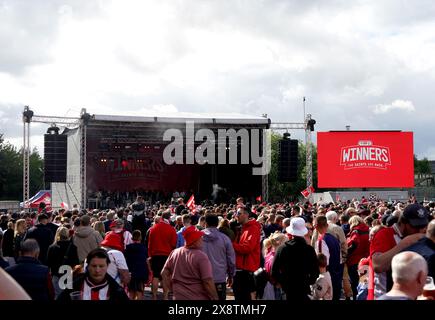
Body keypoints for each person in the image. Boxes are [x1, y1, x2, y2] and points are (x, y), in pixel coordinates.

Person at [370, 203, 429, 298]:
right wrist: (405, 243)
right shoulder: (384, 234)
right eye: (416, 226)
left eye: (423, 226)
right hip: (387, 295)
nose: (420, 230)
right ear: (403, 222)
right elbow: (378, 266)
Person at [161, 226, 219, 300]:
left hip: (178, 297)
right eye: (200, 237)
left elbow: (164, 273)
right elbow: (207, 281)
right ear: (195, 240)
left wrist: (172, 289)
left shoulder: (175, 252)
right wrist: (215, 297)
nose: (202, 239)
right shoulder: (201, 256)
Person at [272, 217, 319, 300]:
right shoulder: (309, 250)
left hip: (288, 288)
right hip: (303, 287)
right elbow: (315, 271)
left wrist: (283, 282)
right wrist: (308, 281)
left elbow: (274, 271)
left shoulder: (282, 248)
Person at [57, 248, 129, 300]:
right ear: (88, 266)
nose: (97, 270)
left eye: (101, 266)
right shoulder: (75, 286)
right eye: (94, 266)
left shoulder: (117, 290)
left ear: (107, 266)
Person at [202, 213, 236, 300]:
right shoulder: (225, 239)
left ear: (205, 223)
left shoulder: (197, 237)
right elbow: (231, 260)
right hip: (219, 278)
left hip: (200, 277)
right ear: (217, 224)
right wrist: (231, 275)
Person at [232, 206, 261, 301]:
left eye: (239, 213)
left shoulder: (253, 228)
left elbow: (247, 248)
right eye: (236, 213)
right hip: (240, 271)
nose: (236, 216)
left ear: (247, 214)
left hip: (246, 272)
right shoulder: (242, 228)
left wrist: (230, 244)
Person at [147, 210, 177, 300]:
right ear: (168, 218)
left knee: (155, 276)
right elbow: (173, 244)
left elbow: (150, 244)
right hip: (167, 255)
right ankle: (165, 297)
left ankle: (154, 296)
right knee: (165, 277)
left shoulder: (154, 228)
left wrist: (150, 255)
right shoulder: (171, 229)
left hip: (155, 255)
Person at [313, 215, 342, 300]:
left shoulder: (321, 240)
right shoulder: (333, 238)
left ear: (316, 227)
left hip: (328, 275)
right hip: (336, 273)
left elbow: (323, 262)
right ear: (327, 225)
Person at [346, 215, 370, 300]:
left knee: (355, 283)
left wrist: (347, 253)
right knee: (364, 283)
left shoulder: (356, 231)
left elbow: (354, 243)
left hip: (355, 261)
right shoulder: (368, 230)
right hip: (366, 260)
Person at [46, 227, 72, 298]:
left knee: (57, 295)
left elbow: (48, 263)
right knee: (68, 296)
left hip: (56, 274)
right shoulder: (72, 247)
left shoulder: (52, 247)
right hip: (68, 274)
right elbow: (75, 262)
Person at [261, 232, 287, 300]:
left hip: (270, 285)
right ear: (280, 243)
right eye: (286, 242)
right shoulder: (278, 257)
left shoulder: (269, 253)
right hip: (278, 286)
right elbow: (275, 272)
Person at [125, 230, 148, 300]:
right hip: (141, 271)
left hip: (131, 271)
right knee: (139, 290)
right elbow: (146, 259)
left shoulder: (128, 247)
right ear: (140, 238)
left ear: (132, 238)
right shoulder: (144, 248)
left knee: (131, 291)